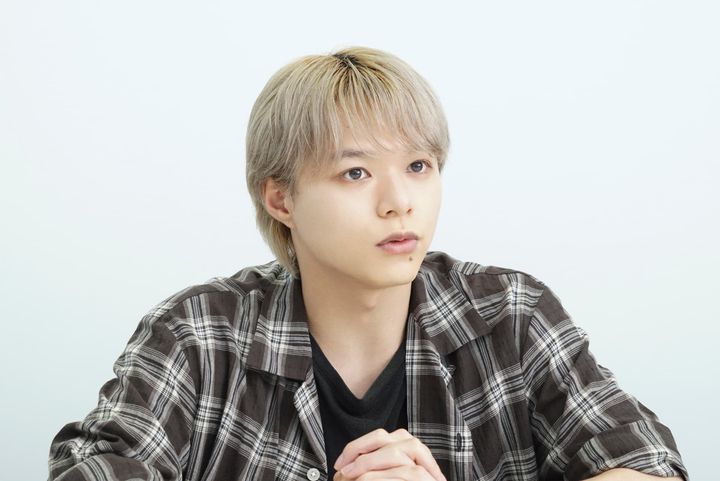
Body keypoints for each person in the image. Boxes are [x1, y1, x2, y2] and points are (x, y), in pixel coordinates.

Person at [47, 46, 689, 481]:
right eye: (355, 172)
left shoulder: (509, 315)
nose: (399, 202)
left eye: (419, 166)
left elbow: (643, 461)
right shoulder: (199, 335)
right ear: (281, 199)